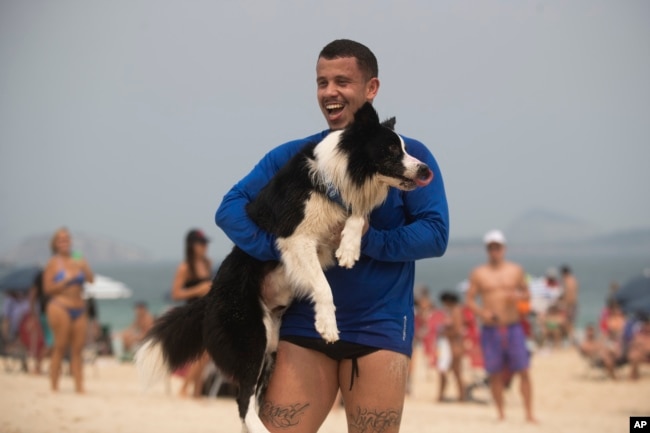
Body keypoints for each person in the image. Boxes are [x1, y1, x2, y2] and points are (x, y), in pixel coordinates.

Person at [215, 39, 448, 432]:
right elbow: (231, 208)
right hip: (305, 327)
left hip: (379, 328)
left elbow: (435, 234)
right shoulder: (294, 156)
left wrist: (366, 239)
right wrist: (278, 249)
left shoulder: (407, 157)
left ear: (371, 89)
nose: (329, 92)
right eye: (322, 82)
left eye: (342, 81)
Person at [465, 230, 536, 423]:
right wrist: (483, 313)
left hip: (513, 326)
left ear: (503, 249)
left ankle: (529, 414)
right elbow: (470, 300)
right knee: (494, 372)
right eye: (491, 247)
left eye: (497, 247)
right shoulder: (479, 273)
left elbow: (527, 294)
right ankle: (501, 413)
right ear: (487, 250)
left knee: (523, 370)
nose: (494, 251)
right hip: (490, 328)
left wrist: (519, 297)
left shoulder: (516, 270)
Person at [43, 227, 94, 393]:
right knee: (60, 346)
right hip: (60, 306)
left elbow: (91, 280)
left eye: (66, 239)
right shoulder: (53, 263)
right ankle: (54, 386)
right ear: (55, 244)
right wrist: (64, 282)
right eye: (60, 239)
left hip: (79, 307)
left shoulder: (78, 258)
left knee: (78, 349)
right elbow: (47, 288)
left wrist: (84, 268)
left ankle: (80, 387)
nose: (64, 242)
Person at [170, 229, 213, 397]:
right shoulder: (185, 267)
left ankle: (196, 391)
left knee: (203, 354)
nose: (204, 247)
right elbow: (175, 293)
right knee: (204, 353)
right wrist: (197, 290)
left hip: (207, 312)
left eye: (205, 243)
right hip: (192, 315)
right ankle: (188, 389)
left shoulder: (207, 263)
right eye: (201, 244)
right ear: (192, 246)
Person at [435, 291, 465, 402]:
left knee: (454, 371)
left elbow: (457, 330)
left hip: (454, 344)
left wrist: (444, 334)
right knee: (451, 372)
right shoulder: (453, 311)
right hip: (451, 344)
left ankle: (460, 396)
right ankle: (454, 396)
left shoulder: (456, 311)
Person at [560, 265, 579, 342]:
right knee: (570, 323)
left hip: (570, 305)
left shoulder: (568, 281)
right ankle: (572, 340)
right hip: (574, 304)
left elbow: (569, 295)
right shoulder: (574, 280)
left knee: (568, 324)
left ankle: (573, 340)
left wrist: (566, 306)